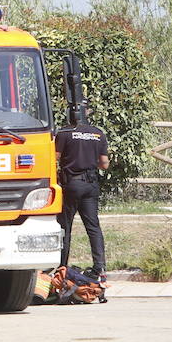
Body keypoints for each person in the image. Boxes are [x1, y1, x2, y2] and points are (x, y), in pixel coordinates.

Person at [55, 107, 109, 280]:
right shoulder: (98, 134)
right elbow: (104, 164)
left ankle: (61, 266)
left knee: (65, 227)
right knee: (93, 227)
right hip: (90, 184)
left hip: (71, 184)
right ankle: (100, 268)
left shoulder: (64, 133)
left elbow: (54, 157)